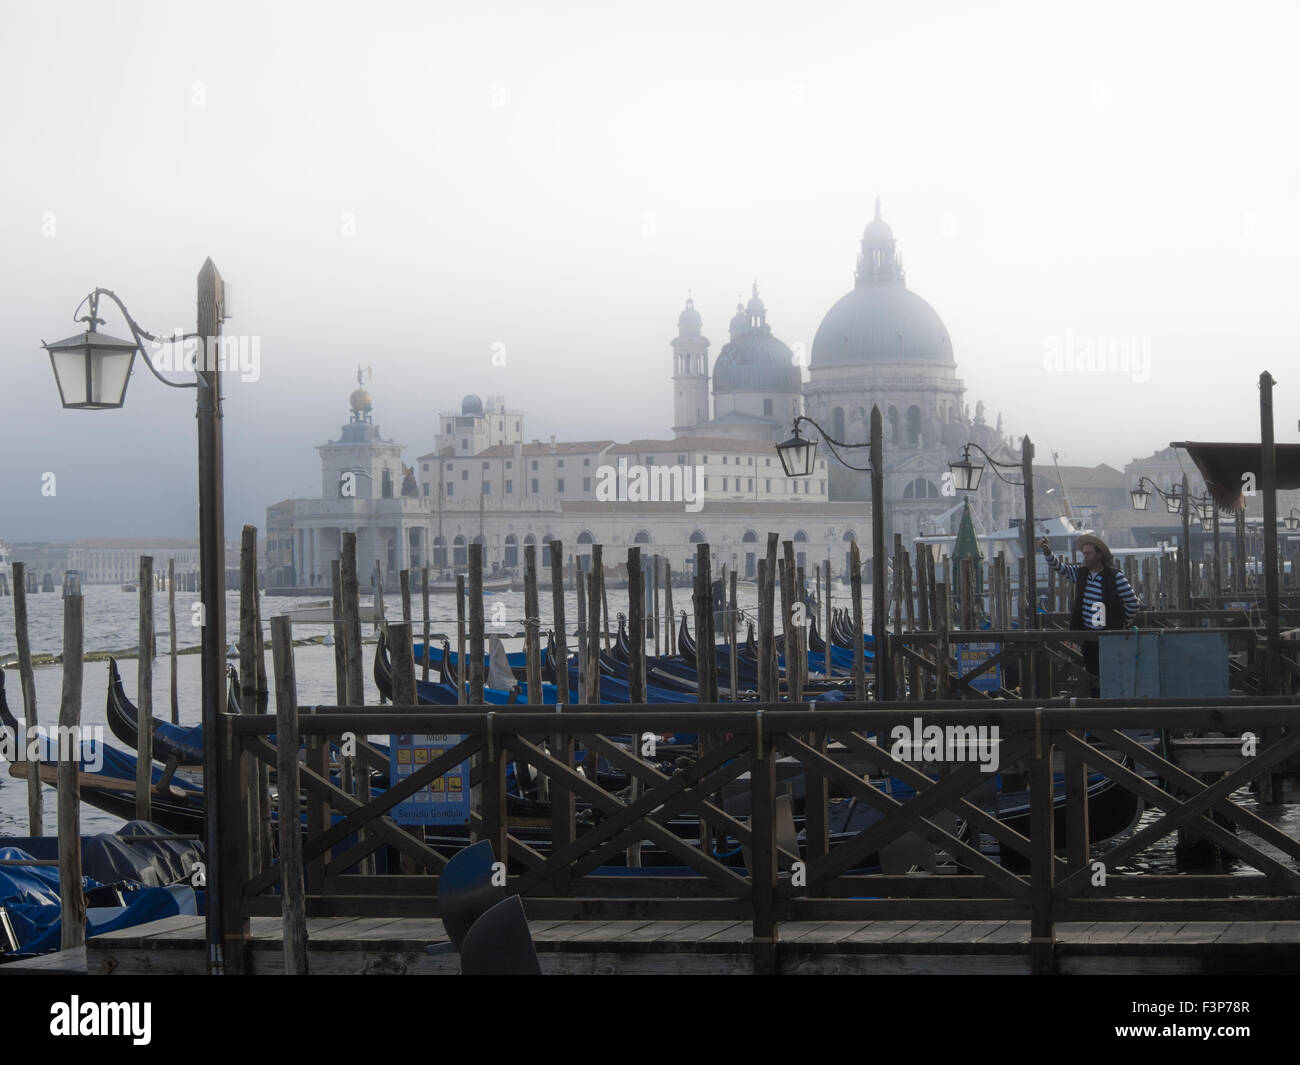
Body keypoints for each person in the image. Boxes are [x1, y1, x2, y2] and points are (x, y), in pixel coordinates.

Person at [1038, 533, 1141, 696]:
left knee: (1110, 675)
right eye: (1084, 553)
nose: (1085, 556)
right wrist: (1047, 552)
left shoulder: (1115, 577)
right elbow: (1060, 568)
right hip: (1088, 636)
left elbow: (1133, 603)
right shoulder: (1081, 573)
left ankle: (1111, 707)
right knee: (1092, 675)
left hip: (1109, 637)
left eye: (1089, 553)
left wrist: (1122, 624)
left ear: (1099, 554)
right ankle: (1096, 707)